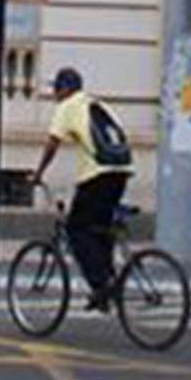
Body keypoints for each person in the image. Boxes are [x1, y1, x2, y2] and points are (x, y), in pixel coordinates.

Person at [28, 67, 134, 311]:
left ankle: (100, 286)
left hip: (97, 176)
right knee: (100, 231)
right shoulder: (97, 105)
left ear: (64, 89)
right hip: (122, 171)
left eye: (56, 89)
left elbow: (52, 143)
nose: (55, 94)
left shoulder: (67, 107)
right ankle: (106, 288)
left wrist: (38, 174)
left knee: (76, 230)